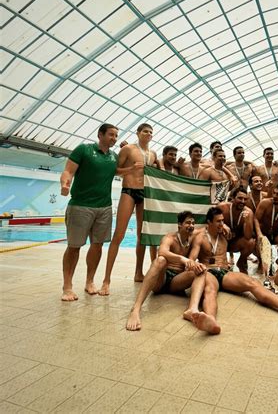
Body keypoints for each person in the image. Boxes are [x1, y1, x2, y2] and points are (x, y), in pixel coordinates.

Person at [186, 207, 278, 324]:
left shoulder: (224, 233)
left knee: (252, 282)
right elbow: (191, 260)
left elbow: (247, 235)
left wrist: (228, 225)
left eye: (223, 221)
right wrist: (197, 266)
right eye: (218, 221)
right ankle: (210, 319)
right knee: (210, 291)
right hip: (209, 272)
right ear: (209, 222)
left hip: (225, 273)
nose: (222, 224)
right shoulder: (200, 237)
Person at [60, 123, 128, 301]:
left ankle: (90, 281)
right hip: (80, 206)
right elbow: (68, 170)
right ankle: (67, 287)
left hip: (104, 208)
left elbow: (120, 171)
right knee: (74, 247)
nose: (114, 138)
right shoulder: (84, 150)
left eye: (116, 136)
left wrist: (131, 162)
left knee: (97, 245)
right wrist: (65, 184)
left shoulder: (113, 157)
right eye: (111, 135)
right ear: (100, 134)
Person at [126, 211, 220, 334]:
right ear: (179, 225)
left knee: (201, 269)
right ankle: (136, 309)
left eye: (192, 223)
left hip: (176, 281)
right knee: (160, 260)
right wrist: (183, 259)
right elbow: (163, 252)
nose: (191, 225)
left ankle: (192, 309)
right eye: (187, 223)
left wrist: (224, 226)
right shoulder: (170, 238)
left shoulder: (192, 237)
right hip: (161, 280)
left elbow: (207, 227)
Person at [98, 123, 157, 296]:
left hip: (144, 193)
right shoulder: (128, 149)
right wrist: (131, 169)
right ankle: (106, 280)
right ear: (138, 133)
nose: (148, 134)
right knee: (119, 235)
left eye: (151, 132)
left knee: (141, 235)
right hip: (129, 191)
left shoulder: (153, 154)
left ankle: (138, 273)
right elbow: (114, 170)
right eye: (145, 131)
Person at [217, 187, 255, 274]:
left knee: (251, 242)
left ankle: (241, 262)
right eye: (240, 198)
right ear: (233, 198)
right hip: (220, 241)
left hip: (235, 243)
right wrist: (222, 225)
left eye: (245, 199)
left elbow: (248, 236)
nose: (243, 201)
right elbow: (210, 223)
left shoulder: (248, 212)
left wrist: (247, 222)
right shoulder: (222, 207)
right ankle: (222, 262)